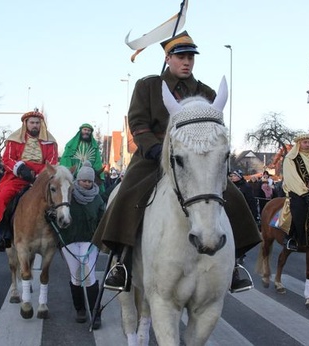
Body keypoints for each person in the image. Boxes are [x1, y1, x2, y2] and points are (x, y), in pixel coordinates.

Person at [92, 31, 262, 293]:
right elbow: (137, 122)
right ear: (168, 58)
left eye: (191, 58)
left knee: (234, 196)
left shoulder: (205, 91)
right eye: (181, 57)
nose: (187, 62)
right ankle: (121, 262)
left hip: (195, 159)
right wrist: (154, 148)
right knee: (128, 194)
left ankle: (236, 262)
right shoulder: (147, 86)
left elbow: (215, 127)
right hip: (154, 155)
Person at [0, 110, 58, 252]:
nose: (35, 125)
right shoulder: (14, 140)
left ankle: (58, 234)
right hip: (17, 177)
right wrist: (21, 169)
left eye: (37, 123)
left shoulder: (51, 142)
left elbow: (52, 162)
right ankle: (4, 236)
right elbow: (7, 159)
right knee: (2, 197)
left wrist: (39, 175)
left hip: (42, 179)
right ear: (26, 123)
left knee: (59, 197)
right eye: (32, 122)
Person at [60, 161, 105, 329]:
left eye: (89, 181)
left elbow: (103, 217)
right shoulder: (69, 195)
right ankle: (80, 309)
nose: (86, 183)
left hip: (89, 241)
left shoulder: (98, 197)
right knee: (76, 277)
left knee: (89, 275)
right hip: (69, 240)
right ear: (77, 180)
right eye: (83, 180)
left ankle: (96, 312)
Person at [60, 124, 104, 188]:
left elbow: (97, 163)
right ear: (81, 131)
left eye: (89, 131)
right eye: (85, 130)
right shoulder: (71, 144)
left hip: (88, 180)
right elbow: (66, 159)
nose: (86, 132)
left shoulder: (94, 147)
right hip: (73, 178)